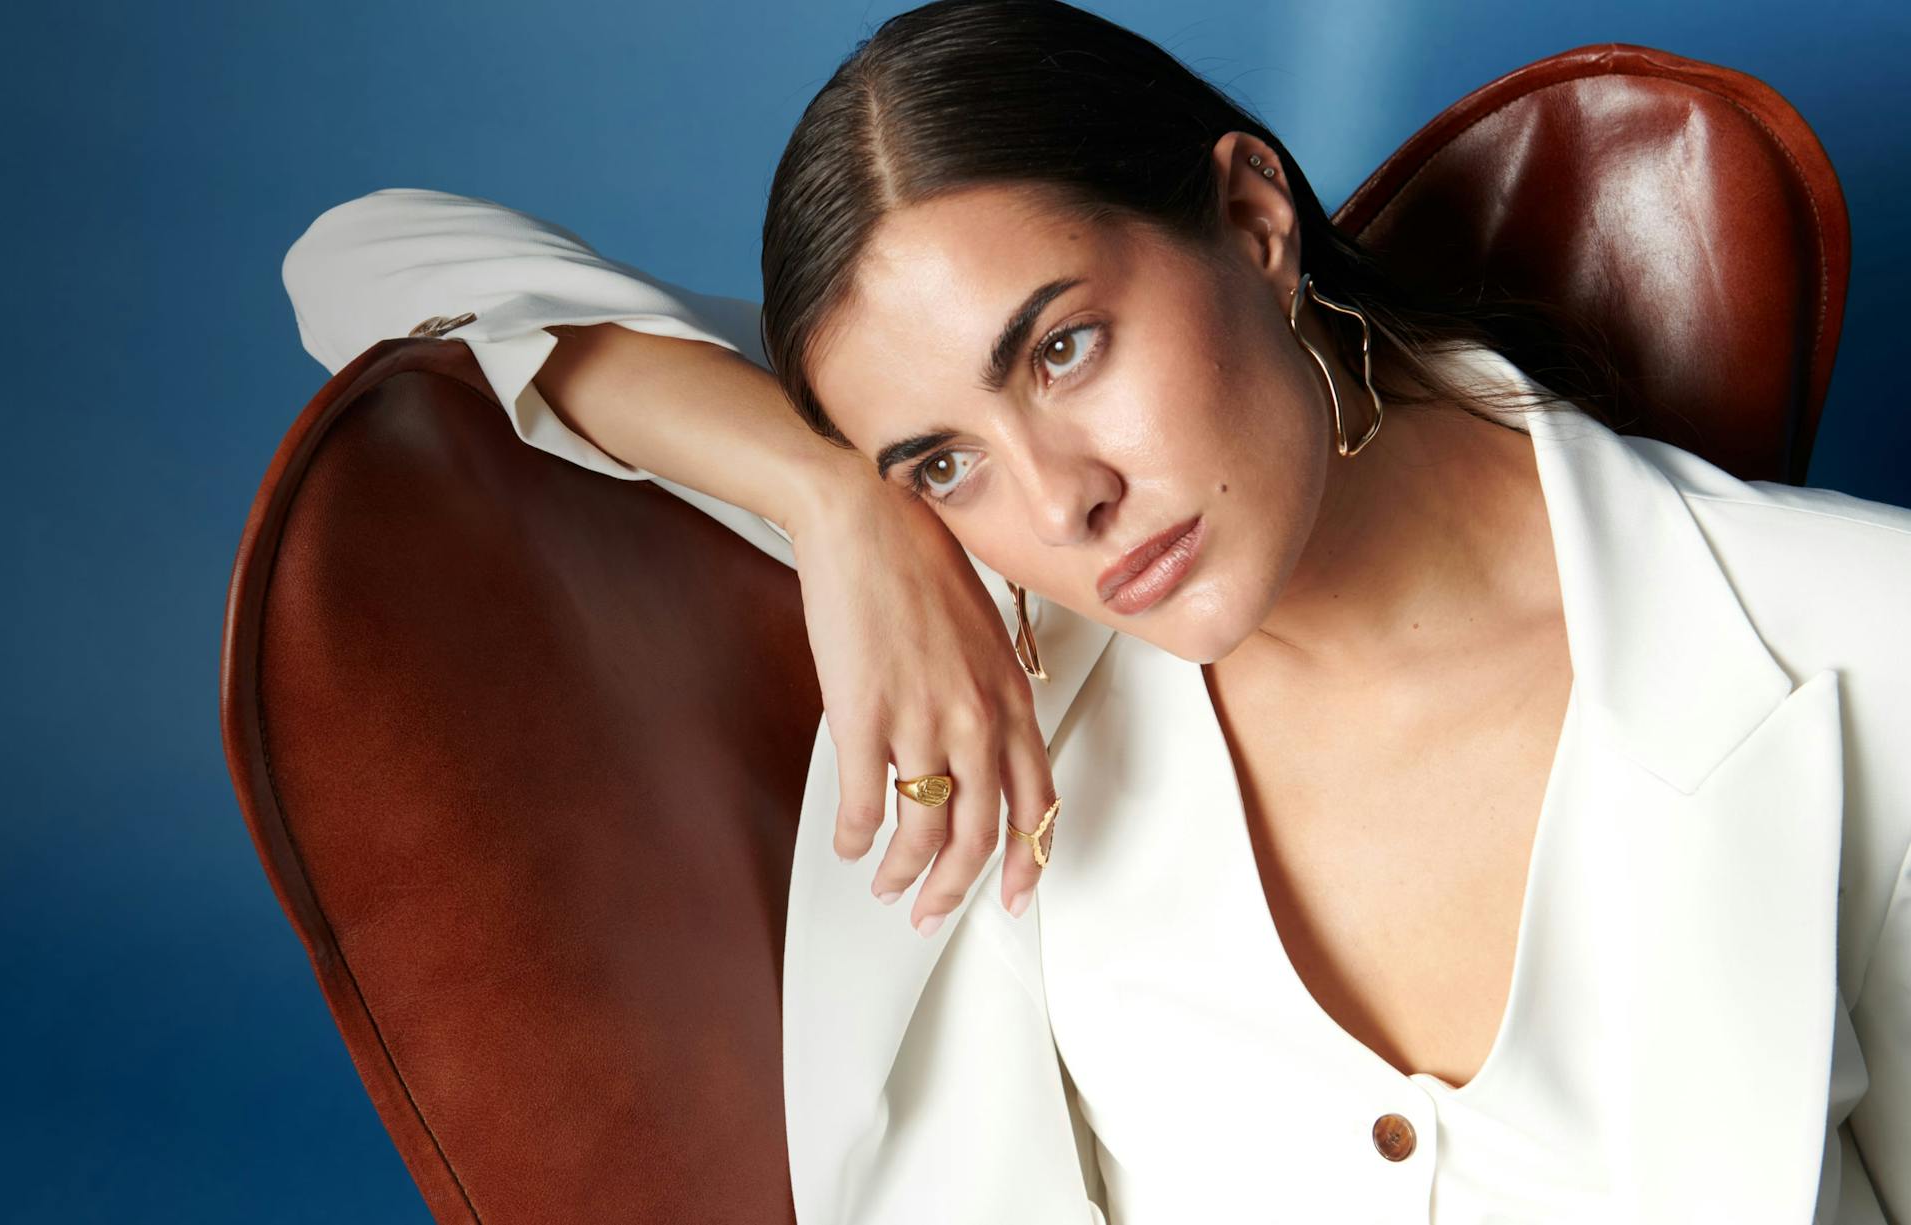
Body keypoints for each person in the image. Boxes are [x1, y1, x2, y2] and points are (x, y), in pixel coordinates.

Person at [280, 1, 1909, 1219]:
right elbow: (360, 262)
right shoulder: (1009, 636)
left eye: (1063, 348)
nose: (1060, 503)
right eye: (943, 458)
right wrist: (836, 504)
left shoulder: (1852, 648)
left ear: (1254, 224)